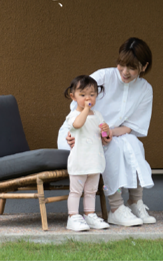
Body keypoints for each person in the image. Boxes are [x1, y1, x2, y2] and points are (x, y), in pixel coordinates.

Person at [58, 37, 156, 227]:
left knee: (134, 143)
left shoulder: (145, 89)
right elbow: (76, 109)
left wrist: (110, 131)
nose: (125, 71)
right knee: (111, 148)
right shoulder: (102, 77)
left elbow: (131, 126)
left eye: (132, 67)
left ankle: (135, 201)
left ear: (144, 66)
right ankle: (116, 207)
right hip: (79, 134)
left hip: (107, 134)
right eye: (122, 64)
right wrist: (74, 133)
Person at [64, 74, 111, 231]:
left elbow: (103, 137)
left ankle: (90, 215)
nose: (88, 98)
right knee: (76, 191)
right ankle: (72, 217)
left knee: (91, 191)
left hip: (94, 161)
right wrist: (85, 109)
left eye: (92, 94)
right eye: (82, 95)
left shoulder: (97, 115)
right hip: (79, 161)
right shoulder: (73, 115)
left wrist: (106, 131)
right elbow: (78, 124)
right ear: (73, 97)